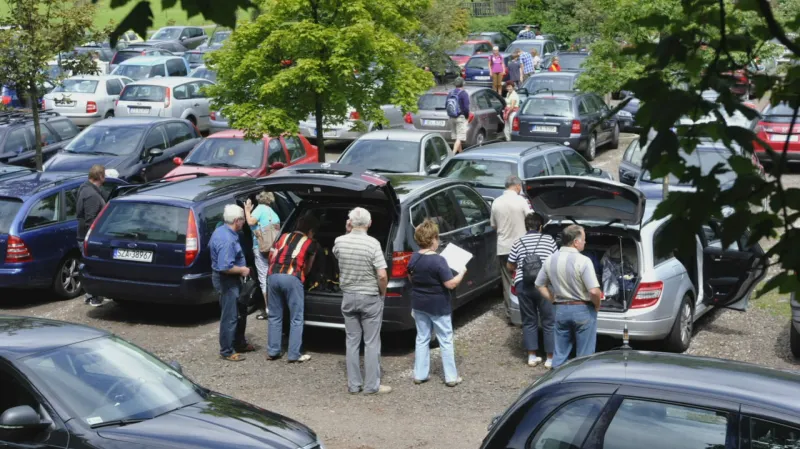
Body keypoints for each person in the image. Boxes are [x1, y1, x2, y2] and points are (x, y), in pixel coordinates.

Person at [333, 207, 391, 395]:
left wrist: (347, 229)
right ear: (369, 223)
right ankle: (371, 385)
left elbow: (337, 254)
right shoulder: (373, 244)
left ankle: (354, 385)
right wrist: (382, 293)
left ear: (349, 223)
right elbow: (382, 275)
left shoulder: (339, 241)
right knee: (372, 342)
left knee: (351, 341)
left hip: (348, 296)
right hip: (370, 297)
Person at [408, 219, 466, 387]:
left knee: (422, 338)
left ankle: (420, 374)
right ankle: (450, 377)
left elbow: (411, 277)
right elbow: (450, 284)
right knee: (445, 339)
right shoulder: (439, 261)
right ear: (433, 239)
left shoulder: (414, 257)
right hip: (438, 305)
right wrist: (461, 272)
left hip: (419, 304)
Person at [535, 225, 603, 369]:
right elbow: (594, 291)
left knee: (560, 352)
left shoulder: (550, 260)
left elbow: (539, 285)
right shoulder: (584, 261)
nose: (585, 242)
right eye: (584, 239)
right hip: (583, 309)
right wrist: (597, 305)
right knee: (584, 356)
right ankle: (581, 384)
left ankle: (556, 381)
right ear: (576, 242)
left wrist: (553, 299)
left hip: (561, 310)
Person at [507, 213, 558, 368]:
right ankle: (550, 358)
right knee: (549, 321)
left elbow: (510, 265)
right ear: (540, 226)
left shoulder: (518, 242)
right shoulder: (549, 240)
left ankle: (532, 356)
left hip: (524, 284)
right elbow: (555, 261)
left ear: (526, 226)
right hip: (544, 284)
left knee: (529, 321)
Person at [267, 214, 319, 363]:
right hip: (292, 277)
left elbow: (272, 256)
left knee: (275, 315)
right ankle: (294, 354)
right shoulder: (310, 243)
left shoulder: (283, 236)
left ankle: (273, 351)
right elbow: (308, 267)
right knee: (296, 318)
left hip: (273, 275)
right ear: (310, 231)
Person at [209, 204, 254, 362]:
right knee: (230, 316)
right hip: (227, 281)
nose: (244, 223)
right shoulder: (227, 240)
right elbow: (225, 267)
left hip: (231, 280)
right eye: (242, 219)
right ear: (237, 220)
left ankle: (239, 342)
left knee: (240, 311)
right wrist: (242, 270)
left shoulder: (222, 230)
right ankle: (227, 350)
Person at [491, 175, 532, 321]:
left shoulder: (496, 202)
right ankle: (525, 311)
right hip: (521, 247)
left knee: (508, 281)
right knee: (525, 279)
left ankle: (510, 314)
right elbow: (531, 219)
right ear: (517, 186)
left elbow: (493, 225)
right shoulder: (521, 200)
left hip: (503, 248)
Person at [244, 191, 280, 320]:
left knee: (263, 277)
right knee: (272, 276)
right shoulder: (274, 214)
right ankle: (277, 306)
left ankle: (268, 309)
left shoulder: (259, 209)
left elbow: (250, 222)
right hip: (272, 249)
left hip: (260, 248)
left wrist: (247, 210)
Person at [76, 164, 107, 307]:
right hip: (88, 238)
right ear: (100, 176)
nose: (105, 178)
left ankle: (94, 295)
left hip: (85, 237)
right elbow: (90, 220)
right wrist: (95, 240)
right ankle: (92, 297)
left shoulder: (86, 188)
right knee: (92, 266)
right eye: (104, 175)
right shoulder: (92, 195)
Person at [447, 77, 470, 154]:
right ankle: (452, 154)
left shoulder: (450, 93)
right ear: (463, 84)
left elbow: (446, 105)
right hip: (460, 117)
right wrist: (467, 117)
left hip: (451, 117)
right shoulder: (464, 93)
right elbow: (466, 108)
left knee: (457, 137)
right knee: (460, 138)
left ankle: (460, 153)